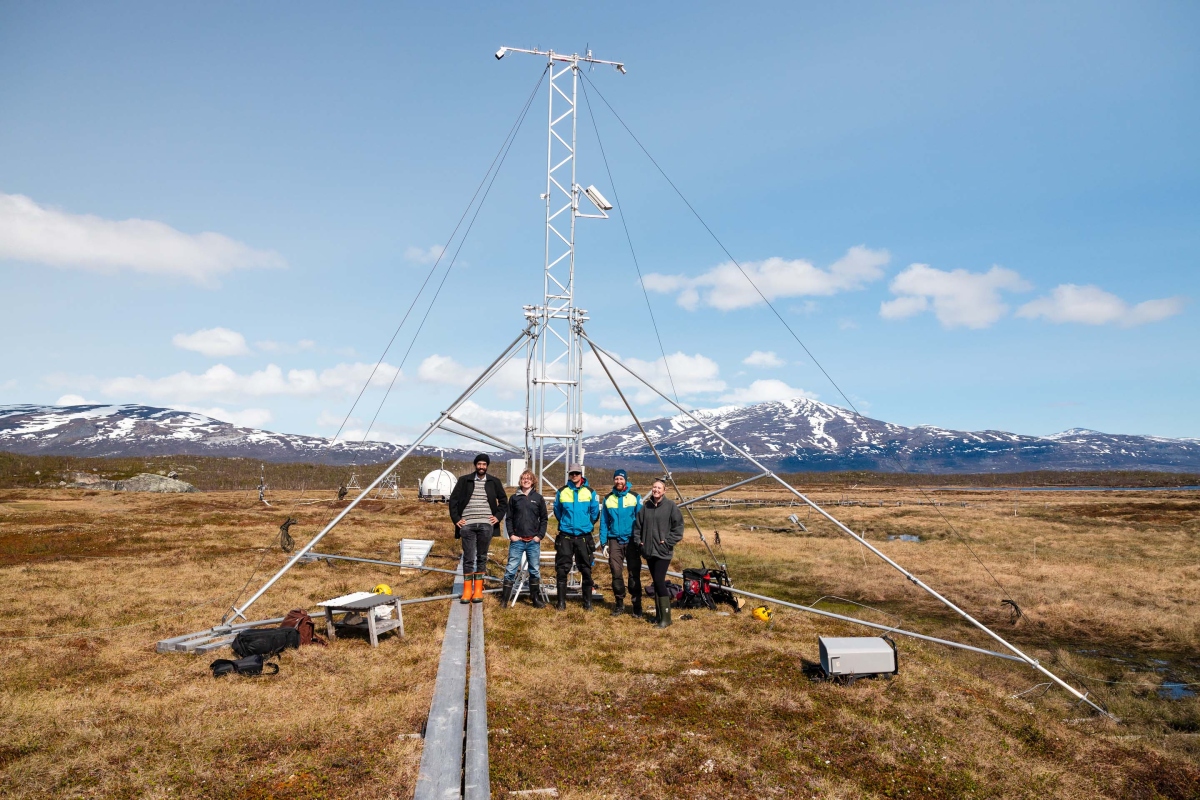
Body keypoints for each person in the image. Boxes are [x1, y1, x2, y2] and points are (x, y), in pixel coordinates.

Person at [448, 454, 507, 604]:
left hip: (486, 525)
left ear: (487, 466)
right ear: (475, 465)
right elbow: (453, 501)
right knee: (468, 557)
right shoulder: (464, 480)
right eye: (479, 464)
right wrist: (456, 519)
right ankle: (467, 590)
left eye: (484, 464)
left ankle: (478, 589)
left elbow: (503, 501)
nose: (481, 467)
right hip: (467, 524)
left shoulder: (494, 481)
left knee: (481, 556)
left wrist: (498, 517)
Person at [631, 478, 684, 628]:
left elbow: (678, 528)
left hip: (663, 552)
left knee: (660, 581)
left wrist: (667, 542)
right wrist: (639, 542)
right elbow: (637, 527)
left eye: (659, 488)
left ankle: (666, 618)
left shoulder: (671, 507)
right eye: (654, 487)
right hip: (649, 551)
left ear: (664, 491)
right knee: (656, 581)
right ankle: (659, 616)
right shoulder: (646, 507)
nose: (656, 490)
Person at [552, 464, 600, 611]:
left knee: (586, 569)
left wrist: (586, 524)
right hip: (566, 536)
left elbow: (595, 513)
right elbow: (557, 511)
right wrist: (566, 523)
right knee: (562, 569)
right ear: (569, 474)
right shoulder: (561, 492)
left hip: (583, 537)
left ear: (581, 474)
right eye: (572, 473)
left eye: (577, 473)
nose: (574, 476)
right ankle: (561, 603)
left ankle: (588, 603)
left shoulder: (590, 492)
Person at [598, 468, 642, 617]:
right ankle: (619, 604)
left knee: (633, 573)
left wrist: (640, 540)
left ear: (625, 480)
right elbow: (604, 522)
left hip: (631, 540)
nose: (619, 481)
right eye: (616, 478)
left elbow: (641, 521)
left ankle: (637, 605)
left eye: (621, 479)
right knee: (616, 573)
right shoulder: (608, 499)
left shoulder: (635, 497)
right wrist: (603, 543)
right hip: (614, 540)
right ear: (614, 480)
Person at [501, 469, 547, 608]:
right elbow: (508, 518)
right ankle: (504, 600)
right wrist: (511, 535)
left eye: (529, 478)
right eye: (523, 478)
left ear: (533, 481)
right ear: (520, 481)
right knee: (511, 569)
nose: (526, 480)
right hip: (518, 541)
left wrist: (539, 536)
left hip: (533, 541)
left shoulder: (538, 498)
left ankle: (535, 599)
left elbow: (544, 519)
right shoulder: (514, 498)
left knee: (534, 570)